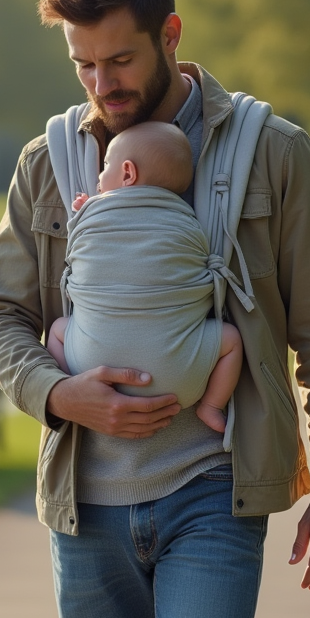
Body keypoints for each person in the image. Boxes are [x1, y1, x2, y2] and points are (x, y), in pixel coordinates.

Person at [0, 0, 310, 618]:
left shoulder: (275, 155)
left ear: (171, 34)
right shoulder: (46, 165)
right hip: (85, 509)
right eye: (83, 64)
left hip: (214, 496)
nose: (101, 82)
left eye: (119, 60)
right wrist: (60, 394)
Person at [46, 121, 244, 434]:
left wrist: (86, 209)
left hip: (91, 364)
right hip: (182, 379)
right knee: (231, 341)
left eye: (105, 166)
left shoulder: (93, 212)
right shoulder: (189, 219)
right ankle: (210, 406)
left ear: (127, 173)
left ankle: (72, 387)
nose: (99, 177)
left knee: (57, 330)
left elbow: (81, 243)